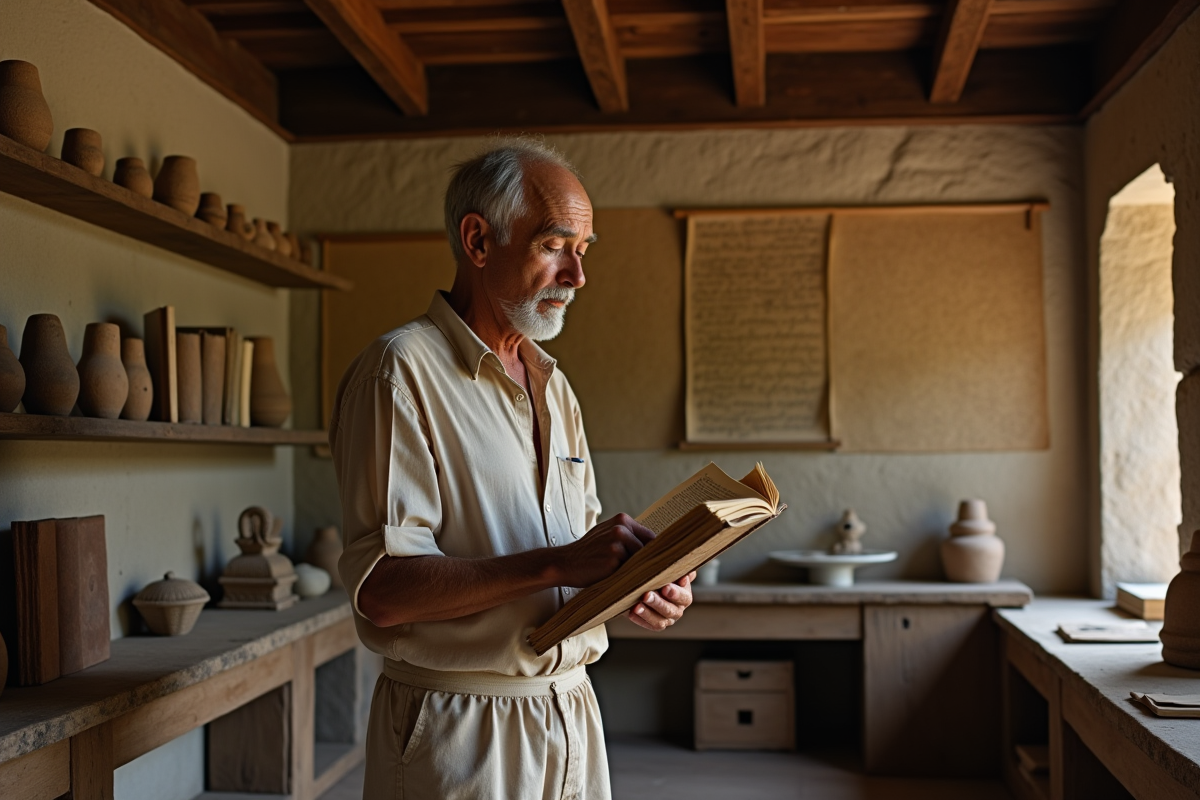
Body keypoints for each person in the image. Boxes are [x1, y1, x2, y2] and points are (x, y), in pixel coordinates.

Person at [330, 137, 696, 800]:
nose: (576, 277)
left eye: (582, 252)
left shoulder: (556, 386)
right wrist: (556, 563)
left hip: (572, 716)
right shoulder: (399, 373)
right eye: (554, 245)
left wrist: (640, 582)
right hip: (460, 733)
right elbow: (383, 591)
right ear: (478, 241)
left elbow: (579, 564)